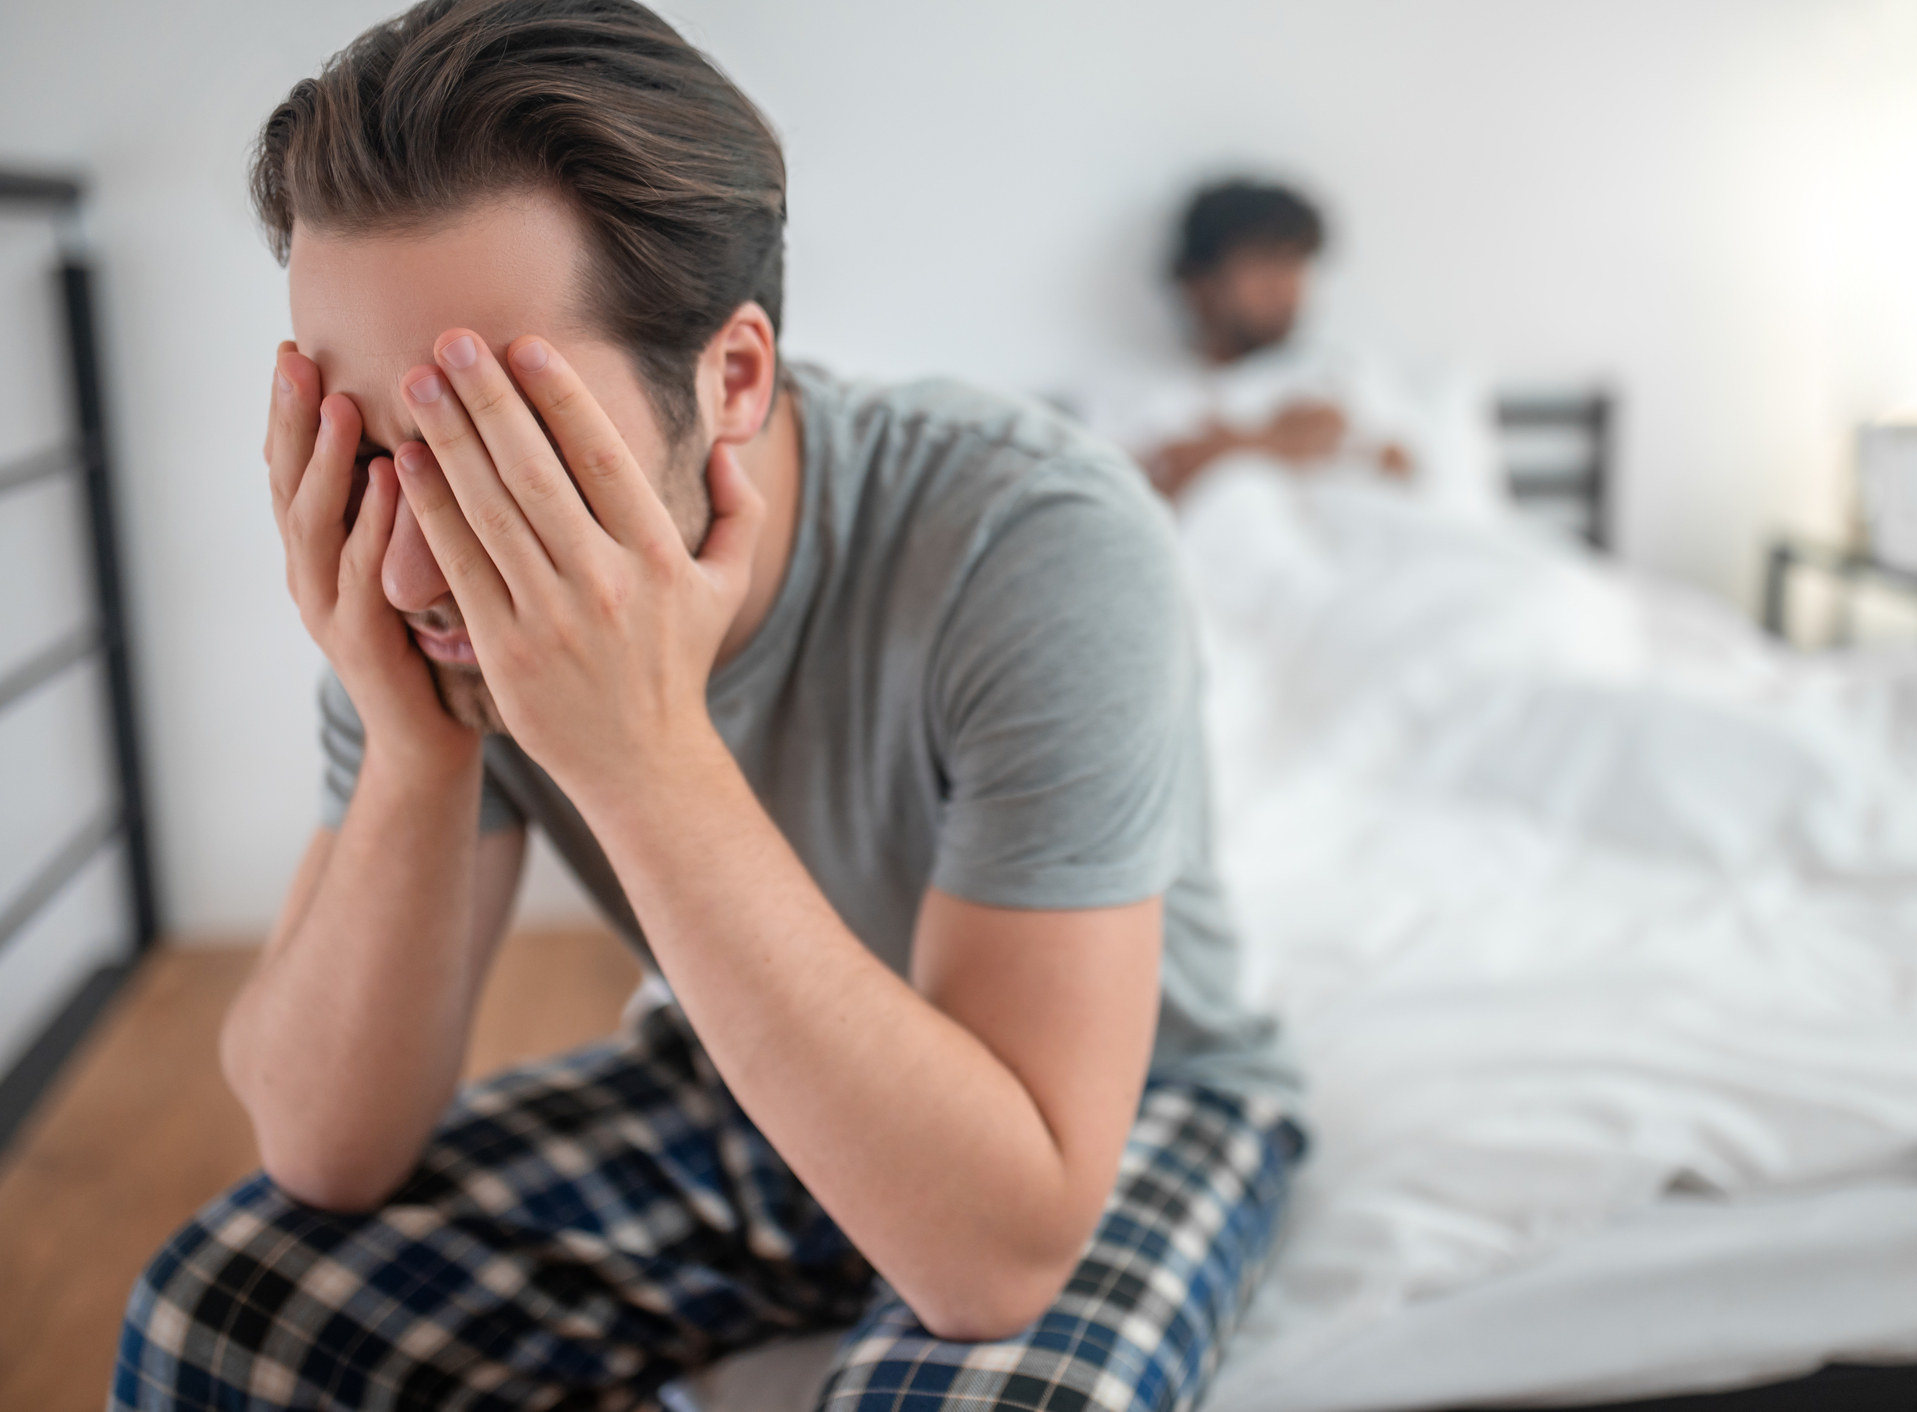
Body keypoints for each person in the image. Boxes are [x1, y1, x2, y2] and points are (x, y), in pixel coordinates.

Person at [111, 3, 1300, 1408]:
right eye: (361, 442)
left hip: (1113, 1107)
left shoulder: (1033, 536)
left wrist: (642, 753)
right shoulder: (410, 589)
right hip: (744, 1073)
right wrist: (413, 743)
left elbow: (994, 1253)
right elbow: (323, 1147)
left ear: (729, 377)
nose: (421, 559)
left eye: (502, 449)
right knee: (228, 1316)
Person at [1094, 179, 1429, 501]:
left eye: (1294, 264)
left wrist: (1220, 450)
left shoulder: (1343, 373)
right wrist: (1283, 440)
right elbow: (1129, 496)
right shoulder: (1134, 398)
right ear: (1199, 283)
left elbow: (1406, 471)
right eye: (1262, 265)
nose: (1283, 287)